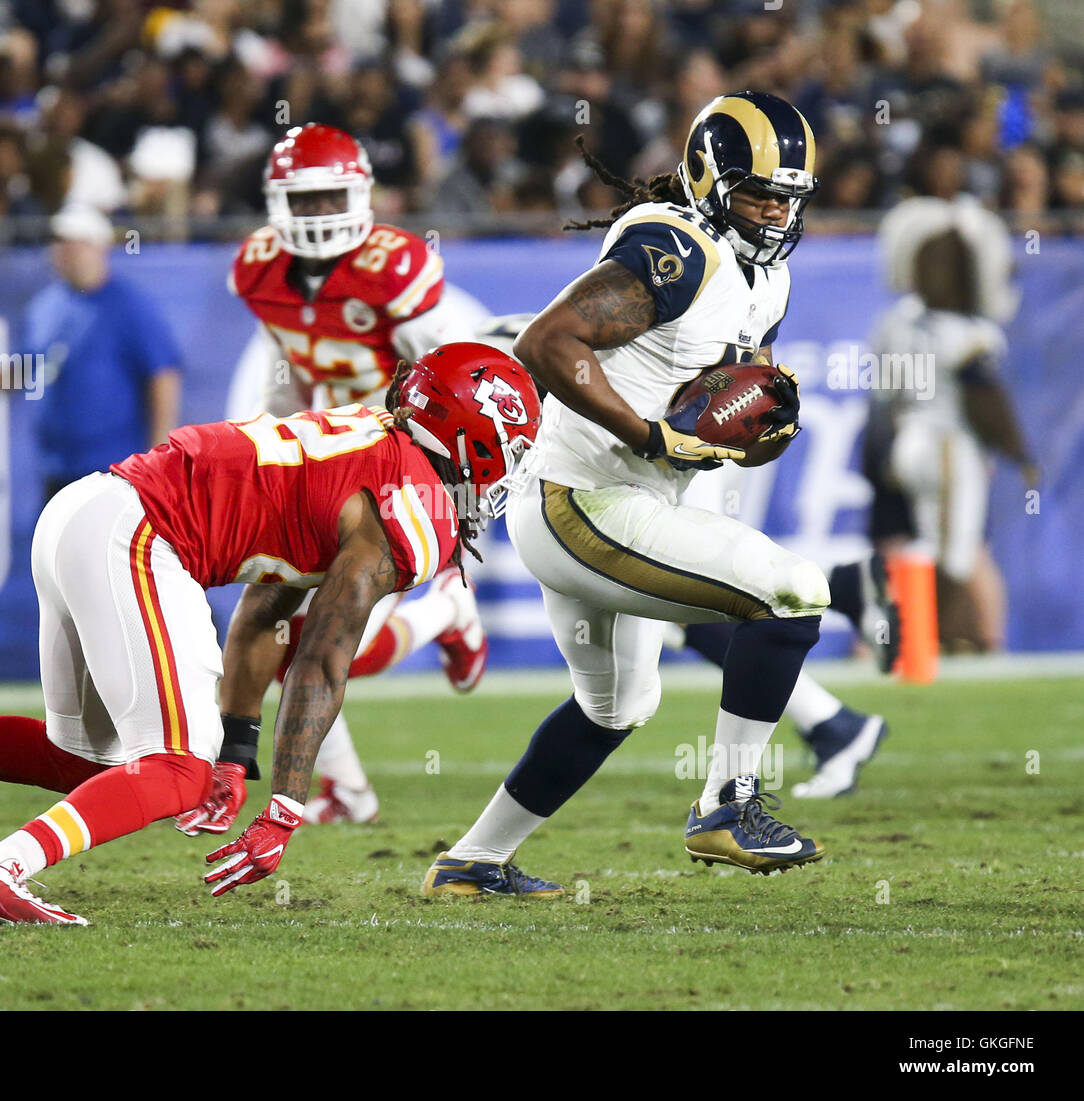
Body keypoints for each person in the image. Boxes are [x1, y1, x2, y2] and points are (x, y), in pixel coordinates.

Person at [0, 343, 540, 923]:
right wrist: (286, 808)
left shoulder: (379, 446)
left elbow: (262, 611)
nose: (503, 475)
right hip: (141, 533)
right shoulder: (405, 506)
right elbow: (321, 657)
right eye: (505, 453)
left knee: (90, 762)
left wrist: (239, 757)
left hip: (88, 511)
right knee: (174, 766)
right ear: (467, 438)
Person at [423, 92, 830, 898]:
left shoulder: (765, 275)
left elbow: (719, 415)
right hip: (586, 497)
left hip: (625, 500)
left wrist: (755, 436)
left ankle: (471, 861)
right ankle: (727, 803)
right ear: (708, 176)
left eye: (788, 196)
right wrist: (650, 437)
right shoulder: (677, 248)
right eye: (758, 192)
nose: (775, 211)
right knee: (792, 594)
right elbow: (548, 341)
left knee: (615, 705)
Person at [475, 313, 895, 800]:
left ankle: (820, 724)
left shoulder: (523, 355)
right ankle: (832, 702)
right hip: (649, 460)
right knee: (676, 616)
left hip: (667, 456)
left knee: (688, 601)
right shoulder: (521, 346)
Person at [204, 123, 484, 830]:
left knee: (340, 652)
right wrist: (273, 441)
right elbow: (294, 369)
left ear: (361, 194)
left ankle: (446, 609)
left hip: (396, 460)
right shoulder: (259, 268)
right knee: (291, 643)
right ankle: (350, 792)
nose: (321, 213)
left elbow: (442, 380)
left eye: (333, 196)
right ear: (277, 203)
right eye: (307, 199)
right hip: (330, 453)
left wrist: (447, 483)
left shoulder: (394, 268)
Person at [872, 213, 1034, 651]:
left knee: (936, 543)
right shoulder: (967, 332)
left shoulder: (896, 322)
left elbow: (883, 398)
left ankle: (940, 635)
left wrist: (882, 453)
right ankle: (907, 636)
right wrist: (1020, 453)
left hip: (907, 436)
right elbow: (985, 399)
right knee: (949, 551)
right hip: (946, 442)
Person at [22, 205, 182, 502]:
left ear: (99, 246)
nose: (65, 251)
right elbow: (32, 366)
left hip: (114, 467)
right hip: (56, 465)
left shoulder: (132, 306)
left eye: (75, 243)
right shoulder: (44, 306)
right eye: (59, 243)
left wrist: (158, 456)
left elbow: (163, 376)